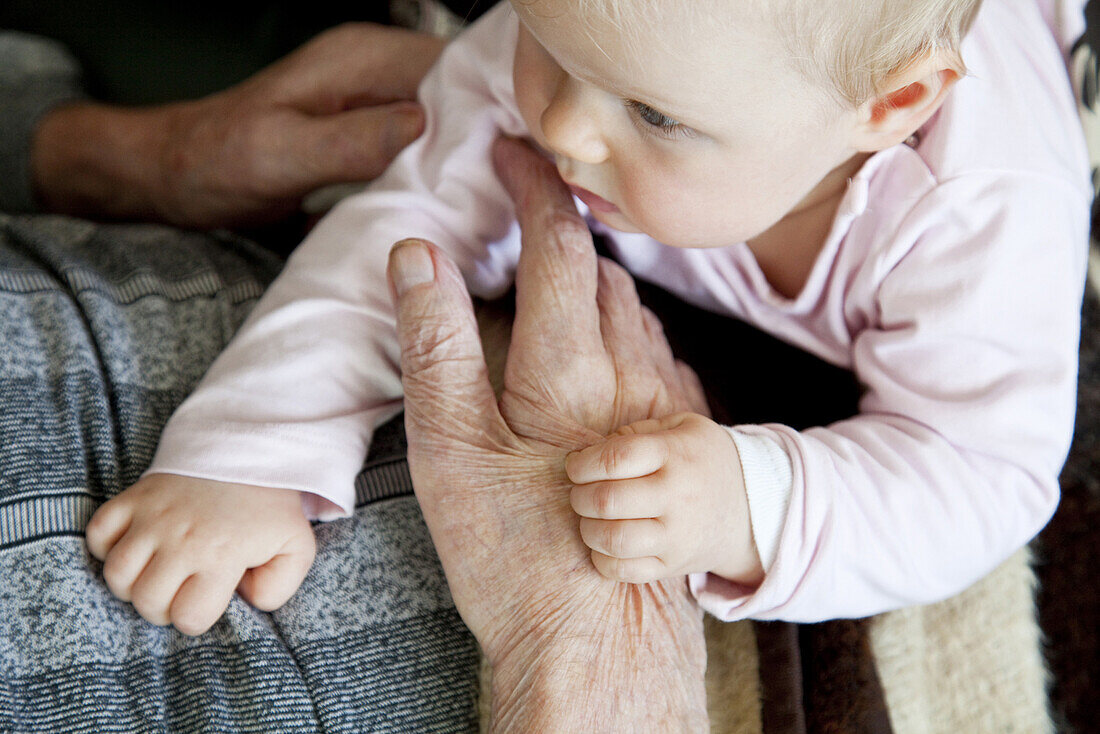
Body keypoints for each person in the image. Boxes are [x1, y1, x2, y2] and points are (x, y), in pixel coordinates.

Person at [86, 0, 1091, 635]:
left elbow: (980, 469)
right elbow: (409, 224)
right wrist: (252, 451)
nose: (561, 127)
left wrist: (750, 501)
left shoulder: (978, 218)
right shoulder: (599, 36)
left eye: (653, 116)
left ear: (891, 105)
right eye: (542, 39)